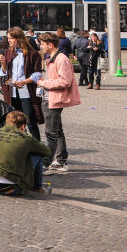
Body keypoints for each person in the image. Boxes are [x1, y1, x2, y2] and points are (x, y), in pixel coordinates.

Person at [0, 111, 51, 196]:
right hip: (10, 188)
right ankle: (36, 188)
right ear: (23, 126)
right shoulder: (27, 138)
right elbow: (46, 151)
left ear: (6, 123)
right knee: (37, 155)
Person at [35, 31, 81, 172]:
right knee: (57, 131)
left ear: (50, 44)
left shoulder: (61, 59)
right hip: (50, 97)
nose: (41, 47)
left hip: (53, 99)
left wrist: (43, 83)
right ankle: (61, 160)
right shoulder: (52, 58)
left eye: (42, 44)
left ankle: (45, 164)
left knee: (51, 134)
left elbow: (64, 81)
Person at [0, 27, 43, 140]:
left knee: (30, 122)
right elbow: (4, 74)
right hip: (12, 92)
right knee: (14, 122)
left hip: (26, 93)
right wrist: (3, 64)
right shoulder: (8, 52)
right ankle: (18, 143)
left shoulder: (31, 53)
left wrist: (25, 81)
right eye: (8, 38)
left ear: (19, 38)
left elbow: (38, 73)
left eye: (11, 38)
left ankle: (35, 146)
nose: (9, 41)